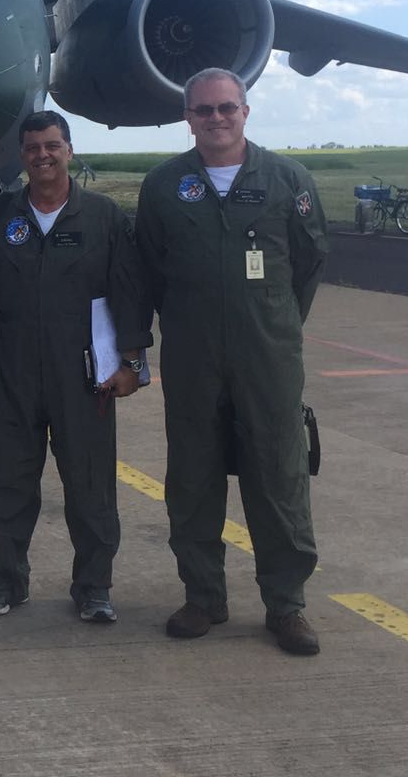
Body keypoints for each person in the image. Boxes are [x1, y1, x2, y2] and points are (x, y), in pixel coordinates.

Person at [136, 67, 328, 656]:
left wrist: (271, 322)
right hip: (193, 355)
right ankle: (203, 597)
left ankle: (286, 604)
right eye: (202, 110)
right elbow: (147, 268)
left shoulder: (285, 179)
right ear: (187, 118)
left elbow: (308, 261)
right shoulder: (165, 186)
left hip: (267, 355)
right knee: (192, 476)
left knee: (279, 473)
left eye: (226, 108)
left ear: (246, 110)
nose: (215, 119)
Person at [0, 111, 150, 622]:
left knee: (90, 484)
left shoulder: (104, 217)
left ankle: (93, 587)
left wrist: (133, 362)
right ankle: (7, 580)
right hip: (12, 371)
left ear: (68, 148)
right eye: (32, 148)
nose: (42, 155)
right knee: (5, 479)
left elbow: (129, 293)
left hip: (86, 375)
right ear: (21, 156)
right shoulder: (1, 214)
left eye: (52, 145)